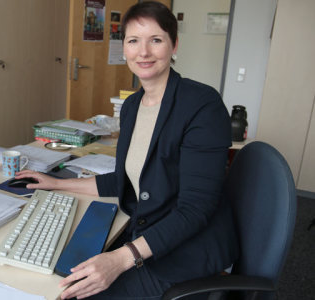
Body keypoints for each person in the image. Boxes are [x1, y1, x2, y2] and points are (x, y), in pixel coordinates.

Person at [16, 1, 238, 299]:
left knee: (74, 294)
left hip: (186, 253)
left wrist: (121, 259)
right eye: (133, 41)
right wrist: (57, 183)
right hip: (148, 238)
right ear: (125, 48)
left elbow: (195, 210)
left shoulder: (202, 105)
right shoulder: (133, 106)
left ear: (174, 45)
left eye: (156, 40)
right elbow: (126, 180)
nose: (143, 52)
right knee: (61, 276)